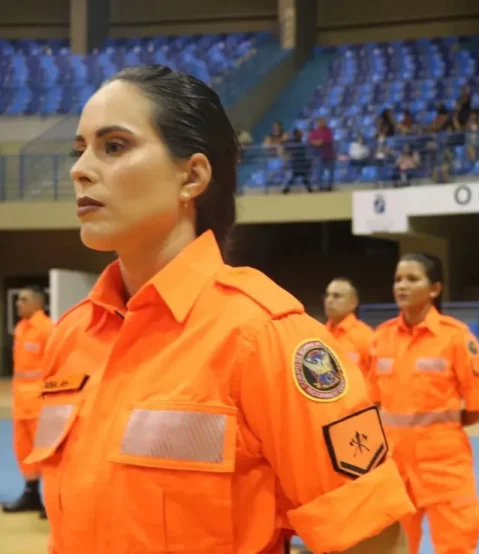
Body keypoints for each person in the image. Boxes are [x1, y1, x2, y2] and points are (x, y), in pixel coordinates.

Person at [24, 65, 414, 554]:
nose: (80, 169)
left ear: (192, 176)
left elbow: (371, 538)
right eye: (78, 150)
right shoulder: (73, 335)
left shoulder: (263, 336)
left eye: (114, 146)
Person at [370, 253, 479, 554]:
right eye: (398, 279)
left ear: (435, 289)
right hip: (395, 464)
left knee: (458, 542)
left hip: (444, 465)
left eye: (413, 279)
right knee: (395, 546)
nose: (402, 285)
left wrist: (443, 426)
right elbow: (373, 400)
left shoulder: (455, 337)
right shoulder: (381, 338)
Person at [3, 286, 53, 519]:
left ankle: (50, 500)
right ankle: (31, 494)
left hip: (40, 403)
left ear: (38, 303)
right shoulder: (21, 328)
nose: (18, 303)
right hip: (21, 402)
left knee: (46, 452)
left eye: (23, 299)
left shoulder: (47, 329)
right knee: (23, 450)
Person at [324, 277, 374, 379]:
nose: (329, 300)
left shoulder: (366, 336)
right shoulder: (319, 334)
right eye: (327, 295)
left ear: (353, 302)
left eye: (336, 296)